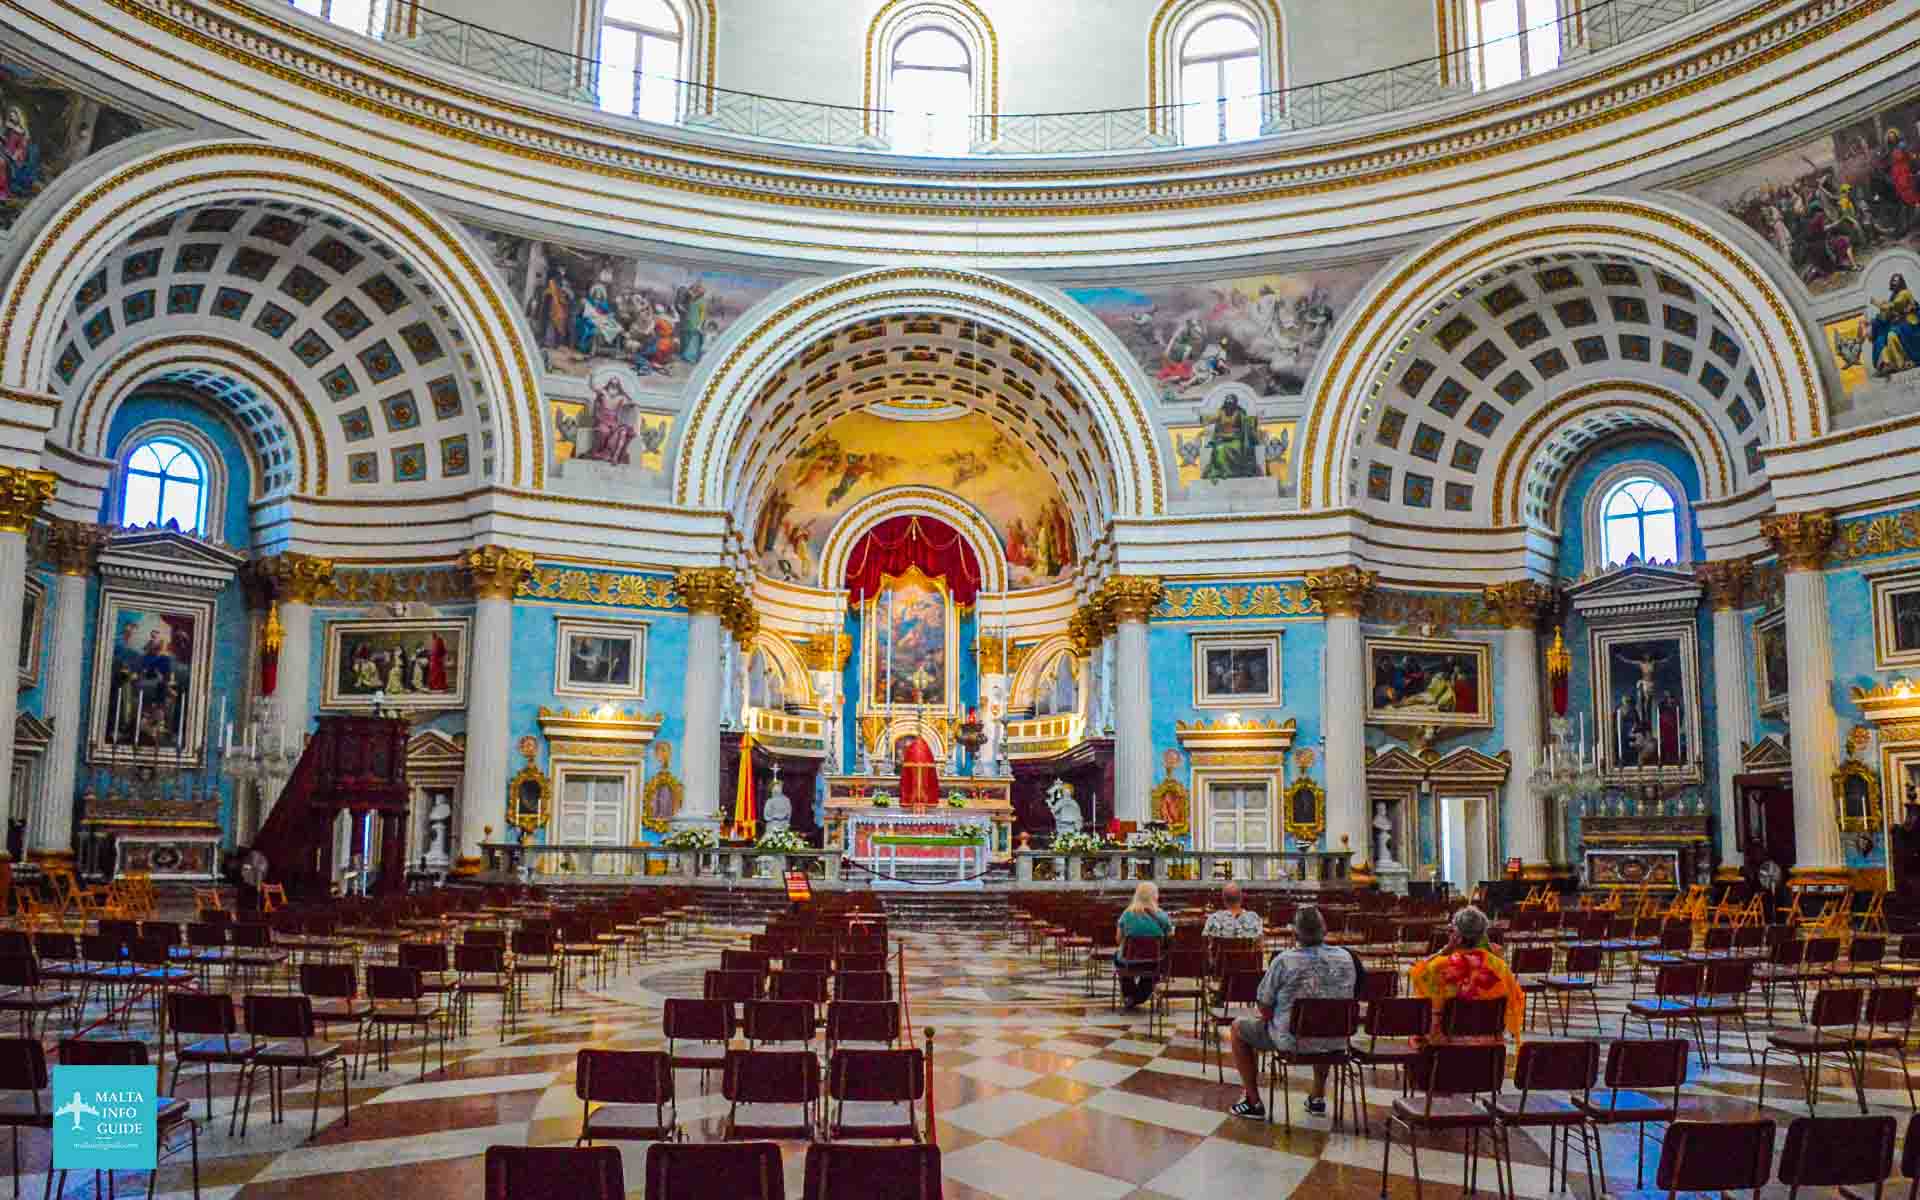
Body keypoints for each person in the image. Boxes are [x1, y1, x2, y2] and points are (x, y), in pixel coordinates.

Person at [1228, 906, 1358, 1120]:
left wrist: (1273, 1017)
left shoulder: (1284, 961)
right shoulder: (1346, 958)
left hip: (1292, 1040)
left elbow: (1264, 1005)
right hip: (1337, 1040)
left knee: (1238, 1028)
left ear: (1295, 933)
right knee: (1324, 1023)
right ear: (1324, 930)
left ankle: (1253, 1101)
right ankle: (1317, 1098)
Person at [1408, 906, 1523, 1044]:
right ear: (1482, 935)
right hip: (1488, 1047)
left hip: (1445, 1046)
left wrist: (1443, 951)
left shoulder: (1437, 966)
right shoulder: (1499, 966)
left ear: (1455, 935)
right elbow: (1513, 1001)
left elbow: (1417, 972)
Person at [1114, 881, 1173, 1009]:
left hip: (1129, 961)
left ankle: (1130, 995)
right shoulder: (1162, 915)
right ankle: (1139, 996)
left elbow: (1118, 939)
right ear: (1155, 896)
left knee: (1119, 960)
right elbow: (1170, 937)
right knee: (1153, 970)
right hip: (1154, 961)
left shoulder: (1127, 914)